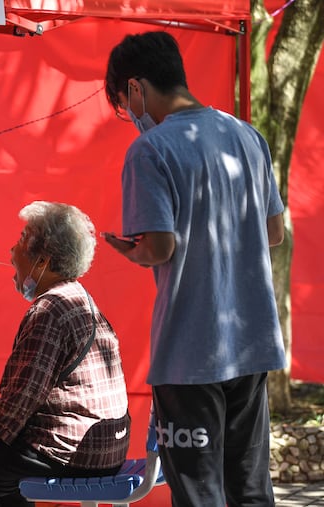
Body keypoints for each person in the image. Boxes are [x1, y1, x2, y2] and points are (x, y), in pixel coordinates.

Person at [102, 31, 286, 506]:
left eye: (124, 102)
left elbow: (159, 247)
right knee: (250, 489)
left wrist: (129, 249)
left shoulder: (151, 150)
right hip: (253, 343)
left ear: (136, 88)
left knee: (200, 495)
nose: (130, 115)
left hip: (189, 352)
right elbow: (274, 234)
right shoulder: (248, 136)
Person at [0, 201, 130, 507]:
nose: (11, 251)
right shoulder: (79, 297)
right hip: (106, 448)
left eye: (21, 239)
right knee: (5, 467)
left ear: (42, 260)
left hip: (75, 452)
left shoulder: (50, 309)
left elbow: (23, 395)